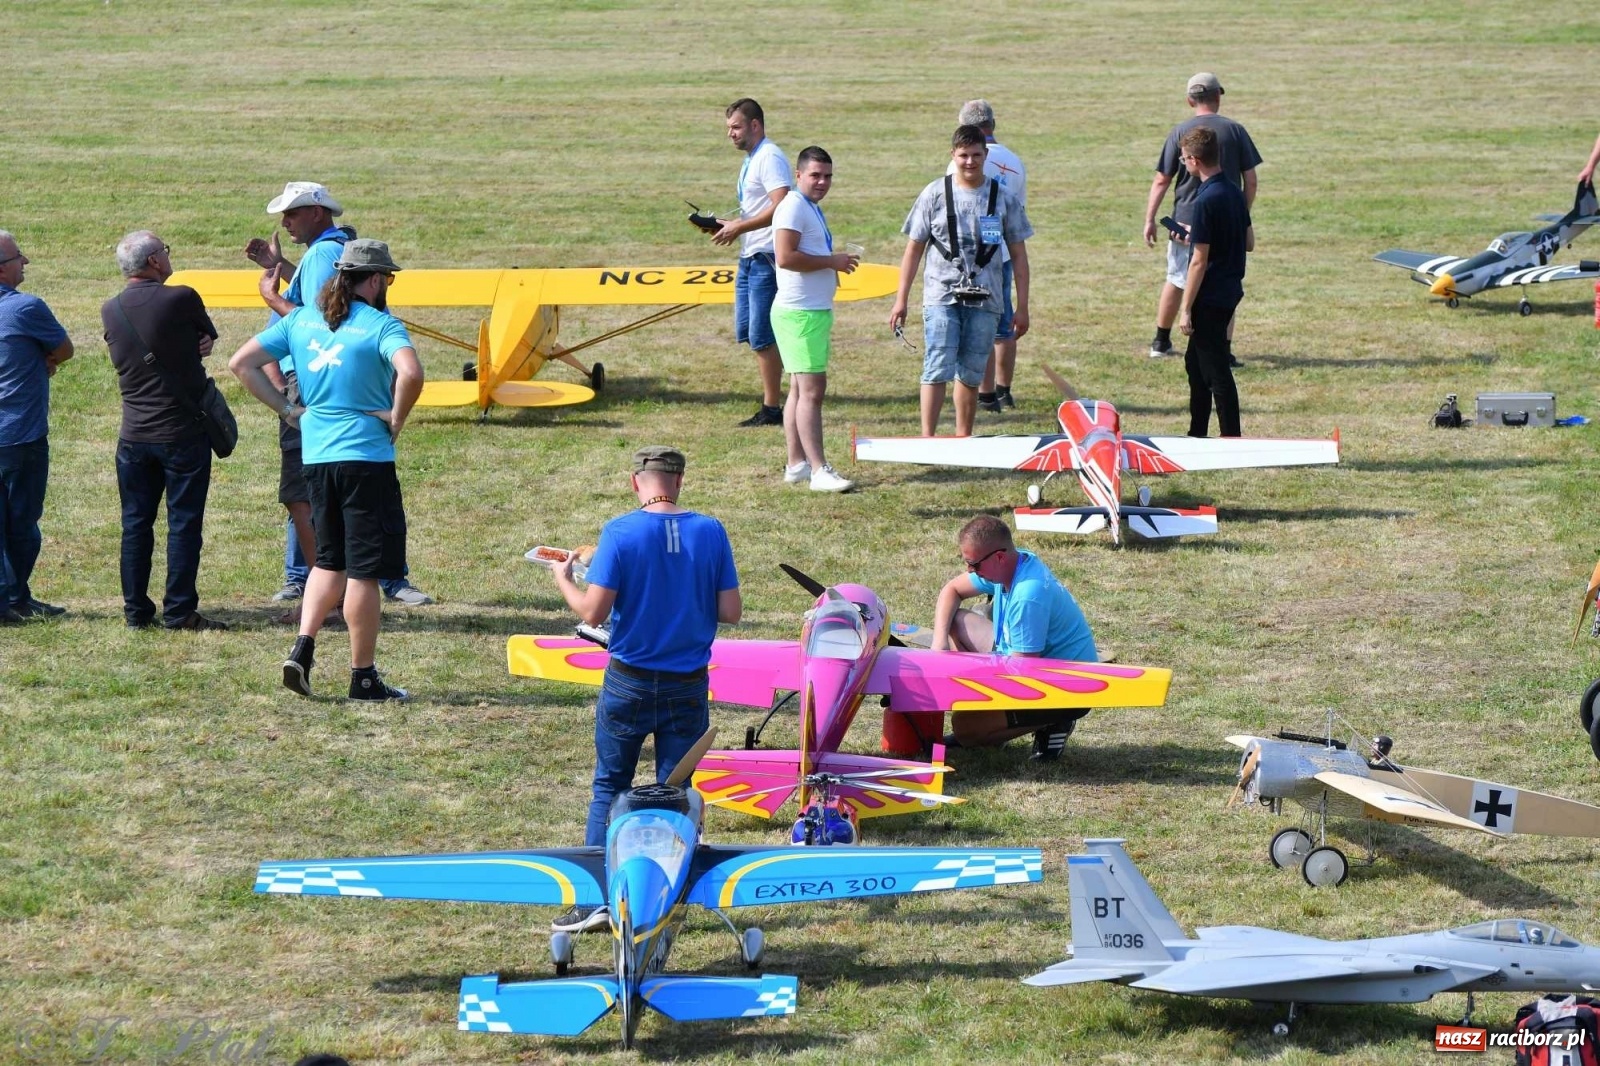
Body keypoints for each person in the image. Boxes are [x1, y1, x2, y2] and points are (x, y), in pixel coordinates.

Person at [546, 445, 740, 933]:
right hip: (688, 685)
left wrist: (563, 579)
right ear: (678, 482)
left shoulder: (619, 532)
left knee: (610, 784)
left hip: (629, 682)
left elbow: (592, 613)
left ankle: (595, 898)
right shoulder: (711, 530)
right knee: (677, 792)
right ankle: (674, 893)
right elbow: (731, 611)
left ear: (637, 482)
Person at [230, 239, 424, 701]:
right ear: (374, 280)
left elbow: (242, 363)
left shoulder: (300, 319)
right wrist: (395, 419)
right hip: (366, 459)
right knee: (364, 572)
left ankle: (303, 647)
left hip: (316, 454)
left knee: (328, 560)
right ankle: (363, 677)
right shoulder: (381, 325)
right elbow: (412, 374)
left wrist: (287, 409)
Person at [247, 182, 433, 612]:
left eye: (291, 213)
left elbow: (319, 321)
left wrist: (272, 297)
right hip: (351, 387)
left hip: (315, 384)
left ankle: (323, 581)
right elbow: (326, 307)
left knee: (308, 489)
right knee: (330, 489)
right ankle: (318, 576)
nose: (285, 222)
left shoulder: (322, 256)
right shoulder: (332, 252)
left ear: (316, 212)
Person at [101, 230, 227, 631]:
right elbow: (205, 339)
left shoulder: (111, 308)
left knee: (135, 524)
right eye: (165, 252)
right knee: (183, 523)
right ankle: (179, 610)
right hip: (181, 433)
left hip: (133, 435)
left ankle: (136, 611)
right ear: (154, 261)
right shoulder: (181, 296)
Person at [890, 125, 1031, 437]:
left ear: (986, 155)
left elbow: (1019, 256)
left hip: (987, 297)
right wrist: (901, 300)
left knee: (971, 370)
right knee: (937, 363)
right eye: (963, 155)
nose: (970, 162)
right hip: (942, 294)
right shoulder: (934, 194)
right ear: (952, 155)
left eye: (976, 155)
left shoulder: (1002, 198)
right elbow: (913, 250)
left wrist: (1022, 306)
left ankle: (962, 437)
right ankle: (928, 437)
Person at [929, 515, 1095, 761]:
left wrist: (972, 689)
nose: (969, 571)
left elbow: (1022, 676)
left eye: (974, 565)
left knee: (965, 727)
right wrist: (939, 641)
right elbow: (951, 590)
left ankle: (1056, 721)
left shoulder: (1028, 596)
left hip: (1069, 686)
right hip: (1028, 660)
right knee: (955, 621)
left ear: (998, 557)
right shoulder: (1014, 562)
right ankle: (994, 728)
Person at [1141, 73, 1260, 366]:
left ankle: (1161, 340)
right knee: (1225, 280)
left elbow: (1161, 180)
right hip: (1226, 217)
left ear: (1189, 100)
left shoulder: (1179, 132)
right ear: (1218, 96)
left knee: (1177, 278)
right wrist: (1240, 214)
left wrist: (1150, 218)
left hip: (1184, 221)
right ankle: (1225, 349)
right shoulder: (1236, 130)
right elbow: (1251, 180)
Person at [770, 145, 859, 493]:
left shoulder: (806, 207)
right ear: (798, 175)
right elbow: (785, 257)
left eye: (827, 176)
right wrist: (831, 262)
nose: (822, 182)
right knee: (811, 392)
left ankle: (797, 464)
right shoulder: (793, 206)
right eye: (815, 175)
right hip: (800, 313)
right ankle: (820, 470)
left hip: (807, 311)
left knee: (797, 389)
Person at [0, 230, 73, 624]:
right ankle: (13, 599)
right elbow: (64, 349)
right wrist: (43, 360)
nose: (24, 262)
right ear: (2, 269)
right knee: (21, 522)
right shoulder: (26, 308)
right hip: (17, 435)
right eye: (18, 257)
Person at [712, 98, 792, 428]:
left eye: (736, 127)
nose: (730, 134)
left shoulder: (769, 157)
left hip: (767, 257)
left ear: (755, 125)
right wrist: (723, 224)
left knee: (762, 335)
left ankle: (773, 407)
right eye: (728, 128)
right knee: (747, 331)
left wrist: (739, 228)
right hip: (750, 255)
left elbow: (783, 205)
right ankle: (777, 401)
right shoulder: (753, 158)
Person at [950, 100, 1028, 412]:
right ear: (993, 124)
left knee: (977, 324)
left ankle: (984, 394)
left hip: (973, 258)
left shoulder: (964, 159)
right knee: (1004, 320)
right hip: (1007, 253)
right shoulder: (1014, 160)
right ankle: (1004, 390)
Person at [1178, 125, 1254, 439]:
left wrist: (1185, 309)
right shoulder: (1234, 192)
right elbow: (1248, 241)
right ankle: (1197, 433)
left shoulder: (1205, 200)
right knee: (1195, 365)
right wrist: (1194, 234)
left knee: (1216, 369)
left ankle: (1230, 438)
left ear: (1195, 160)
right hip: (1230, 288)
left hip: (1210, 295)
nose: (1183, 164)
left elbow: (1198, 260)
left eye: (1184, 159)